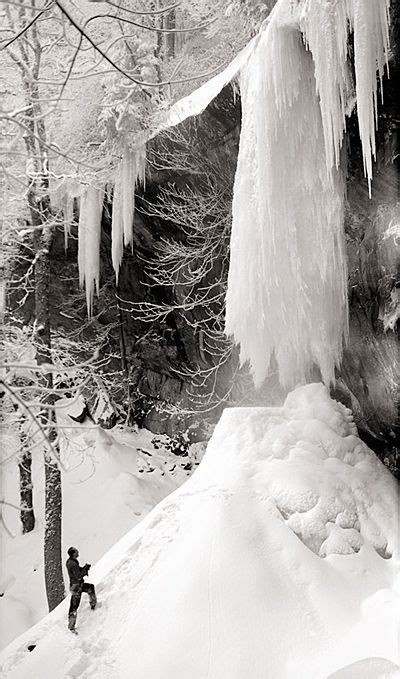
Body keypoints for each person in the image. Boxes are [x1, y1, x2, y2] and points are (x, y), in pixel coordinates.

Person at [66, 546, 97, 633]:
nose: (78, 552)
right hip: (77, 587)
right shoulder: (73, 563)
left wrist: (84, 568)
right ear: (73, 553)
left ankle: (93, 604)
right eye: (76, 551)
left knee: (90, 587)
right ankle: (71, 626)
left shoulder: (71, 561)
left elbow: (77, 572)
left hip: (76, 585)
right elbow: (78, 576)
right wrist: (85, 569)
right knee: (74, 606)